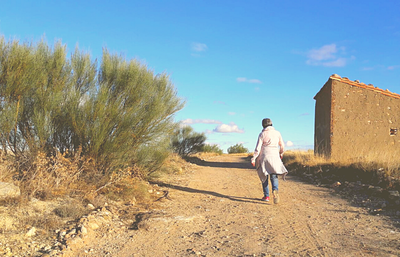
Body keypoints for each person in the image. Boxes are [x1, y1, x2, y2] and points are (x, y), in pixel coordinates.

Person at [251, 118, 288, 204]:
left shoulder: (262, 134)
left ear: (263, 125)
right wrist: (281, 154)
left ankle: (266, 196)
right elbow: (282, 146)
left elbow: (258, 148)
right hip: (274, 156)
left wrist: (253, 158)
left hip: (264, 156)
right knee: (274, 175)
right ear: (271, 124)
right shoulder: (277, 133)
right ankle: (275, 190)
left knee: (264, 176)